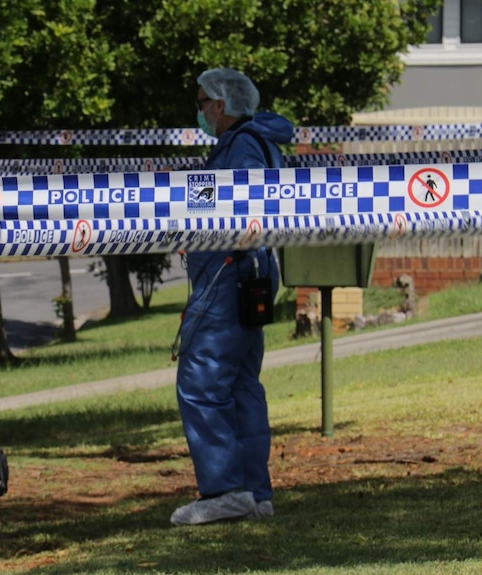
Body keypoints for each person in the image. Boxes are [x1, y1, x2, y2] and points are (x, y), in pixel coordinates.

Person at [171, 68, 294, 526]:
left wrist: (213, 236)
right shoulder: (252, 141)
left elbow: (247, 206)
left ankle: (224, 490)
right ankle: (254, 494)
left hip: (228, 275)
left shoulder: (242, 146)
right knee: (241, 385)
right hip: (244, 273)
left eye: (202, 102)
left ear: (220, 105)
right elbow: (217, 202)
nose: (200, 111)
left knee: (201, 384)